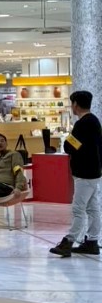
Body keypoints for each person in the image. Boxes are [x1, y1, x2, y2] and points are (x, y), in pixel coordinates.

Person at [49, 89, 102, 257]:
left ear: (76, 104)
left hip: (84, 173)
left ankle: (69, 241)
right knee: (92, 208)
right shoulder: (94, 121)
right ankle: (92, 241)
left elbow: (69, 146)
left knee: (79, 209)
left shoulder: (82, 124)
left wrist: (69, 138)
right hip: (93, 171)